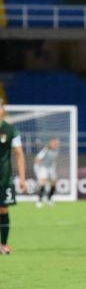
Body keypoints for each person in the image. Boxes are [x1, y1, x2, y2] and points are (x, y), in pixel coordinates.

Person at [0, 100, 28, 254]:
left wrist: (22, 178)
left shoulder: (11, 130)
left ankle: (3, 244)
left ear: (3, 110)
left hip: (4, 178)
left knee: (3, 209)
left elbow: (19, 154)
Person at [34, 137, 59, 208]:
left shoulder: (56, 151)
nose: (56, 144)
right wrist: (38, 168)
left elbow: (53, 161)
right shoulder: (45, 150)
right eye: (55, 143)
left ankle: (49, 198)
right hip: (43, 167)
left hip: (51, 168)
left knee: (54, 183)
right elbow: (37, 158)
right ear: (51, 143)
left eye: (57, 143)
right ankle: (39, 201)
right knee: (43, 182)